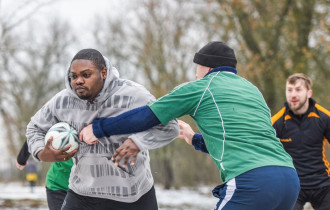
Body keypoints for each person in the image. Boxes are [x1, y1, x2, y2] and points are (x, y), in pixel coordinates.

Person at [80, 41, 300, 210]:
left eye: (197, 67)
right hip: (289, 179)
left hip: (252, 181)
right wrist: (193, 138)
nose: (196, 72)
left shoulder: (200, 87)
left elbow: (147, 116)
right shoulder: (252, 90)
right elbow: (240, 138)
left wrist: (99, 129)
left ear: (204, 66)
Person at [26, 48, 179, 210]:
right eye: (74, 76)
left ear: (103, 73)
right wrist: (42, 152)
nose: (78, 81)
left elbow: (170, 126)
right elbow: (34, 127)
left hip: (133, 195)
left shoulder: (134, 96)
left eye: (86, 75)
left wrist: (137, 142)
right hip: (82, 194)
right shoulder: (62, 101)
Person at [271, 73, 330, 210]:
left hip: (323, 184)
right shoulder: (277, 122)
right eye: (289, 90)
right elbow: (260, 151)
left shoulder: (324, 117)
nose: (293, 95)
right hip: (292, 185)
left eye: (298, 90)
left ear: (309, 93)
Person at [16, 140, 72, 209]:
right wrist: (22, 158)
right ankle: (32, 189)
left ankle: (32, 188)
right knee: (31, 183)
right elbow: (36, 133)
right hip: (58, 185)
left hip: (84, 190)